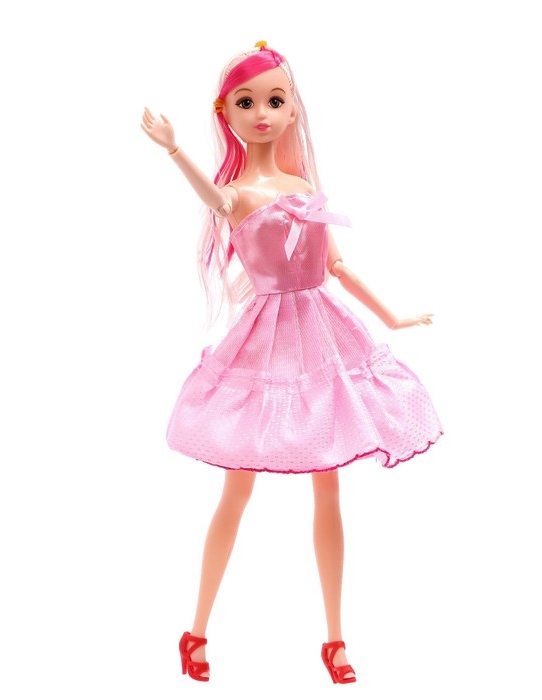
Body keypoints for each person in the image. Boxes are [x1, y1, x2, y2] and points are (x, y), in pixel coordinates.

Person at [141, 41, 443, 684]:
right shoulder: (236, 193)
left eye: (275, 100)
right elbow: (215, 200)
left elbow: (336, 266)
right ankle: (196, 630)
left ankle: (335, 639)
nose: (262, 114)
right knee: (237, 487)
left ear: (292, 108)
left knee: (328, 485)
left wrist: (393, 317)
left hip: (323, 337)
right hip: (265, 343)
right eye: (246, 102)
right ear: (225, 112)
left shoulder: (304, 187)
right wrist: (173, 149)